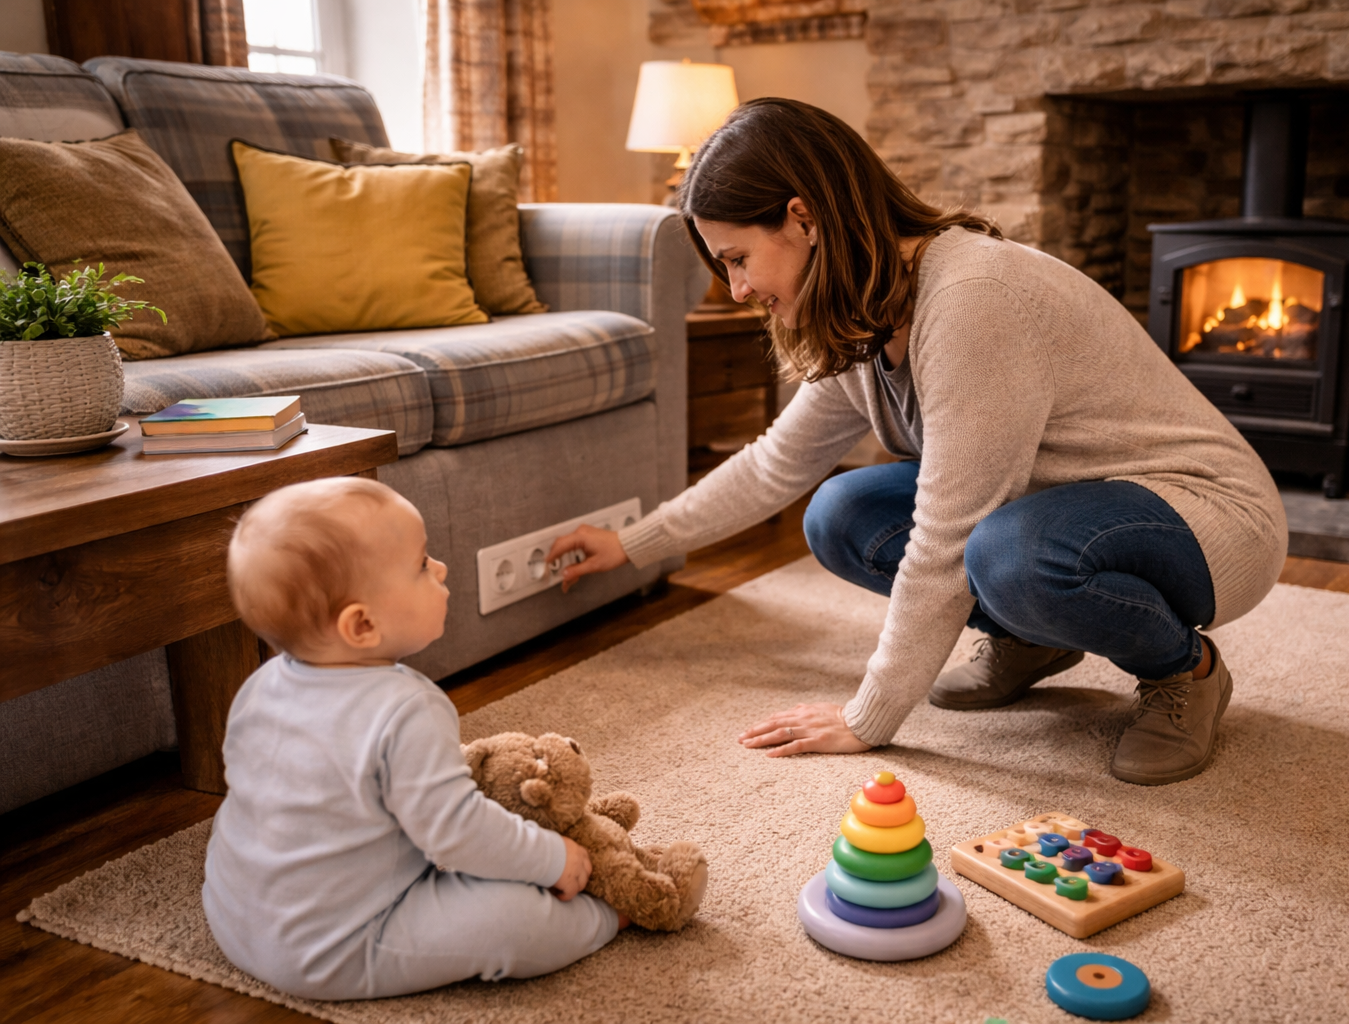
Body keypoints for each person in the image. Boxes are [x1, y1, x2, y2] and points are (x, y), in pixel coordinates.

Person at [548, 98, 1286, 786]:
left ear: (803, 219)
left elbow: (948, 533)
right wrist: (634, 542)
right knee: (839, 512)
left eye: (737, 259)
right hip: (1056, 510)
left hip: (1204, 518)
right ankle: (1031, 636)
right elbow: (776, 466)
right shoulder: (859, 314)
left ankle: (1184, 671)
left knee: (1005, 553)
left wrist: (867, 717)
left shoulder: (971, 300)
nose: (736, 289)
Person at [204, 477, 623, 1000]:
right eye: (423, 565)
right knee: (513, 920)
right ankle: (614, 913)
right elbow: (458, 834)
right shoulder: (407, 709)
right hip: (338, 947)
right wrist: (551, 858)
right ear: (362, 626)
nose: (441, 568)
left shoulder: (258, 687)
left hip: (233, 916)